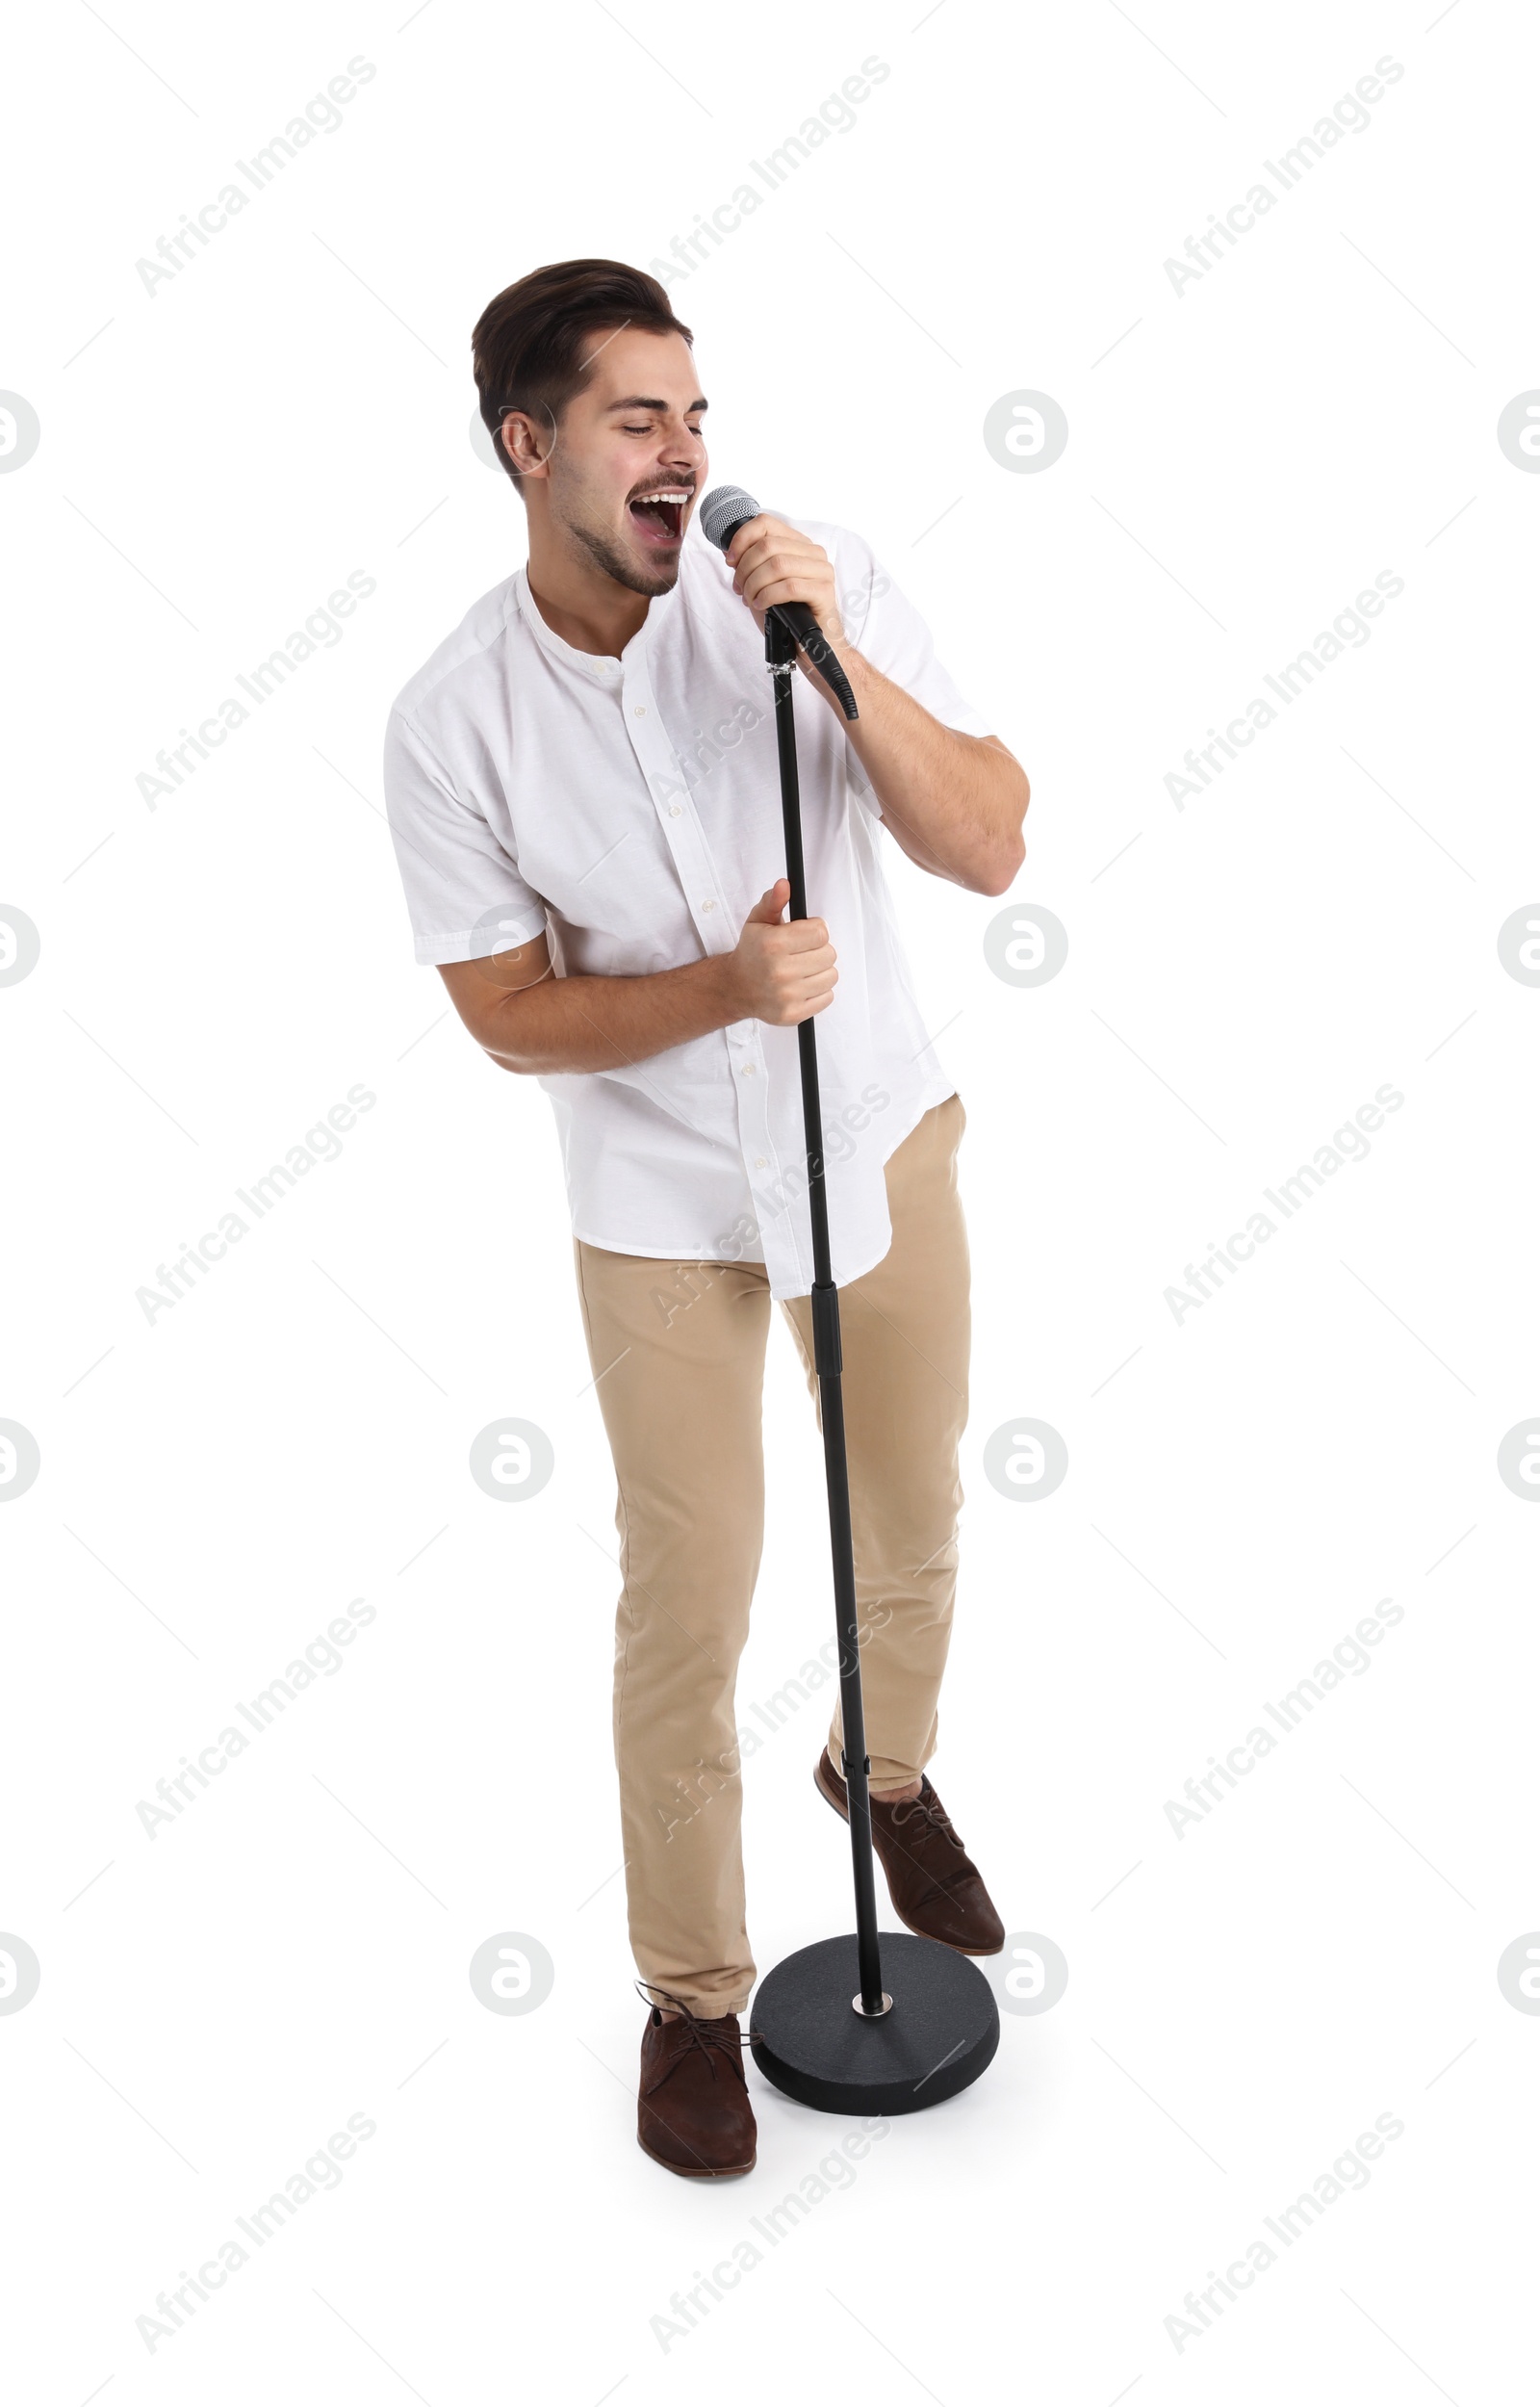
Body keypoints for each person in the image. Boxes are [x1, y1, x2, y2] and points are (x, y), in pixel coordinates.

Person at [383, 258, 1029, 2179]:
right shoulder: (451, 722)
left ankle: (881, 1771)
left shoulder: (801, 593)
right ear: (530, 445)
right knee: (690, 1600)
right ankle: (687, 1992)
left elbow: (989, 837)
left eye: (694, 414)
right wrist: (713, 994)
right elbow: (504, 1015)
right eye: (636, 418)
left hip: (878, 1136)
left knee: (910, 1511)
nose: (686, 453)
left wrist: (829, 645)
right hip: (656, 1204)